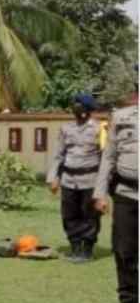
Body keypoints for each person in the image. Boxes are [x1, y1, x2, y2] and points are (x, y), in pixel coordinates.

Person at [94, 91, 138, 303]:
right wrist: (100, 193)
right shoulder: (121, 117)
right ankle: (130, 302)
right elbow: (108, 158)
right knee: (124, 251)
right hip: (126, 193)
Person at [48, 93, 105, 263]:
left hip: (90, 179)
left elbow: (105, 158)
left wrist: (103, 187)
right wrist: (53, 177)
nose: (76, 107)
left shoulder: (99, 129)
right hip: (68, 179)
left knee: (90, 215)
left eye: (79, 105)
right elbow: (59, 155)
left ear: (88, 109)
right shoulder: (66, 128)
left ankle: (86, 248)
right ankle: (74, 246)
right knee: (69, 214)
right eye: (75, 104)